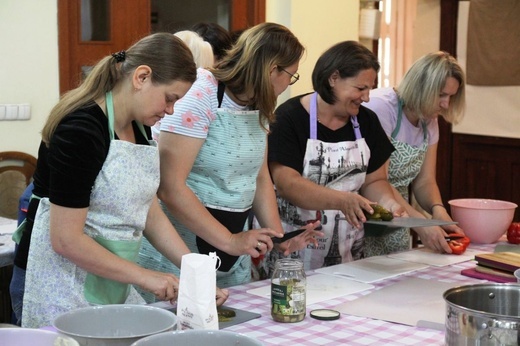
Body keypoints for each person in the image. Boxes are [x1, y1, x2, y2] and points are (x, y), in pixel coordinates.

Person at [10, 33, 228, 329]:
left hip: (107, 281)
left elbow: (149, 214)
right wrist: (146, 277)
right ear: (141, 76)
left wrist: (194, 273)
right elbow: (66, 239)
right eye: (170, 98)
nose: (170, 111)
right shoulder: (80, 130)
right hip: (58, 282)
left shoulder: (138, 129)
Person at [138, 22, 321, 290]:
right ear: (273, 70)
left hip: (233, 255)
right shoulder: (201, 93)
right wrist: (230, 240)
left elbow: (259, 178)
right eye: (291, 76)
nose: (288, 85)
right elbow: (170, 187)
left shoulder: (259, 104)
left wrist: (279, 237)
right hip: (180, 250)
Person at [257, 40, 406, 275]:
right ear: (333, 78)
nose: (366, 97)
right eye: (360, 88)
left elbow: (375, 181)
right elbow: (287, 184)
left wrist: (389, 206)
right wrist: (343, 200)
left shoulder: (367, 121)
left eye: (369, 89)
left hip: (348, 254)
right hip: (291, 251)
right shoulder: (289, 118)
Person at [363, 51, 466, 256]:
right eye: (441, 95)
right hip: (364, 212)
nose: (446, 104)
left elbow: (425, 181)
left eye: (451, 97)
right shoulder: (381, 107)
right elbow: (376, 180)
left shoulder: (430, 120)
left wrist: (438, 210)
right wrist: (419, 222)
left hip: (399, 216)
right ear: (421, 87)